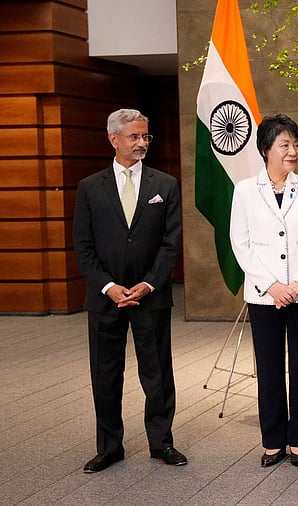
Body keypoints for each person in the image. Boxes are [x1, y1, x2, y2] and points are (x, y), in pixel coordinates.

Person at [73, 108, 186, 473]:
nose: (141, 143)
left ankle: (162, 443)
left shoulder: (164, 185)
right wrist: (107, 286)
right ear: (113, 138)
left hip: (150, 295)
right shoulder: (90, 187)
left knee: (157, 373)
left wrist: (150, 282)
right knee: (105, 374)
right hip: (106, 298)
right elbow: (83, 244)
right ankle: (109, 447)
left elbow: (171, 243)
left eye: (146, 137)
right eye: (134, 137)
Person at [230, 113, 298, 468]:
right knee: (269, 367)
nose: (293, 151)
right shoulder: (244, 190)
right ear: (265, 149)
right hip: (264, 294)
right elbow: (240, 242)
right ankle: (273, 440)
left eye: (296, 144)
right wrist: (272, 285)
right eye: (285, 144)